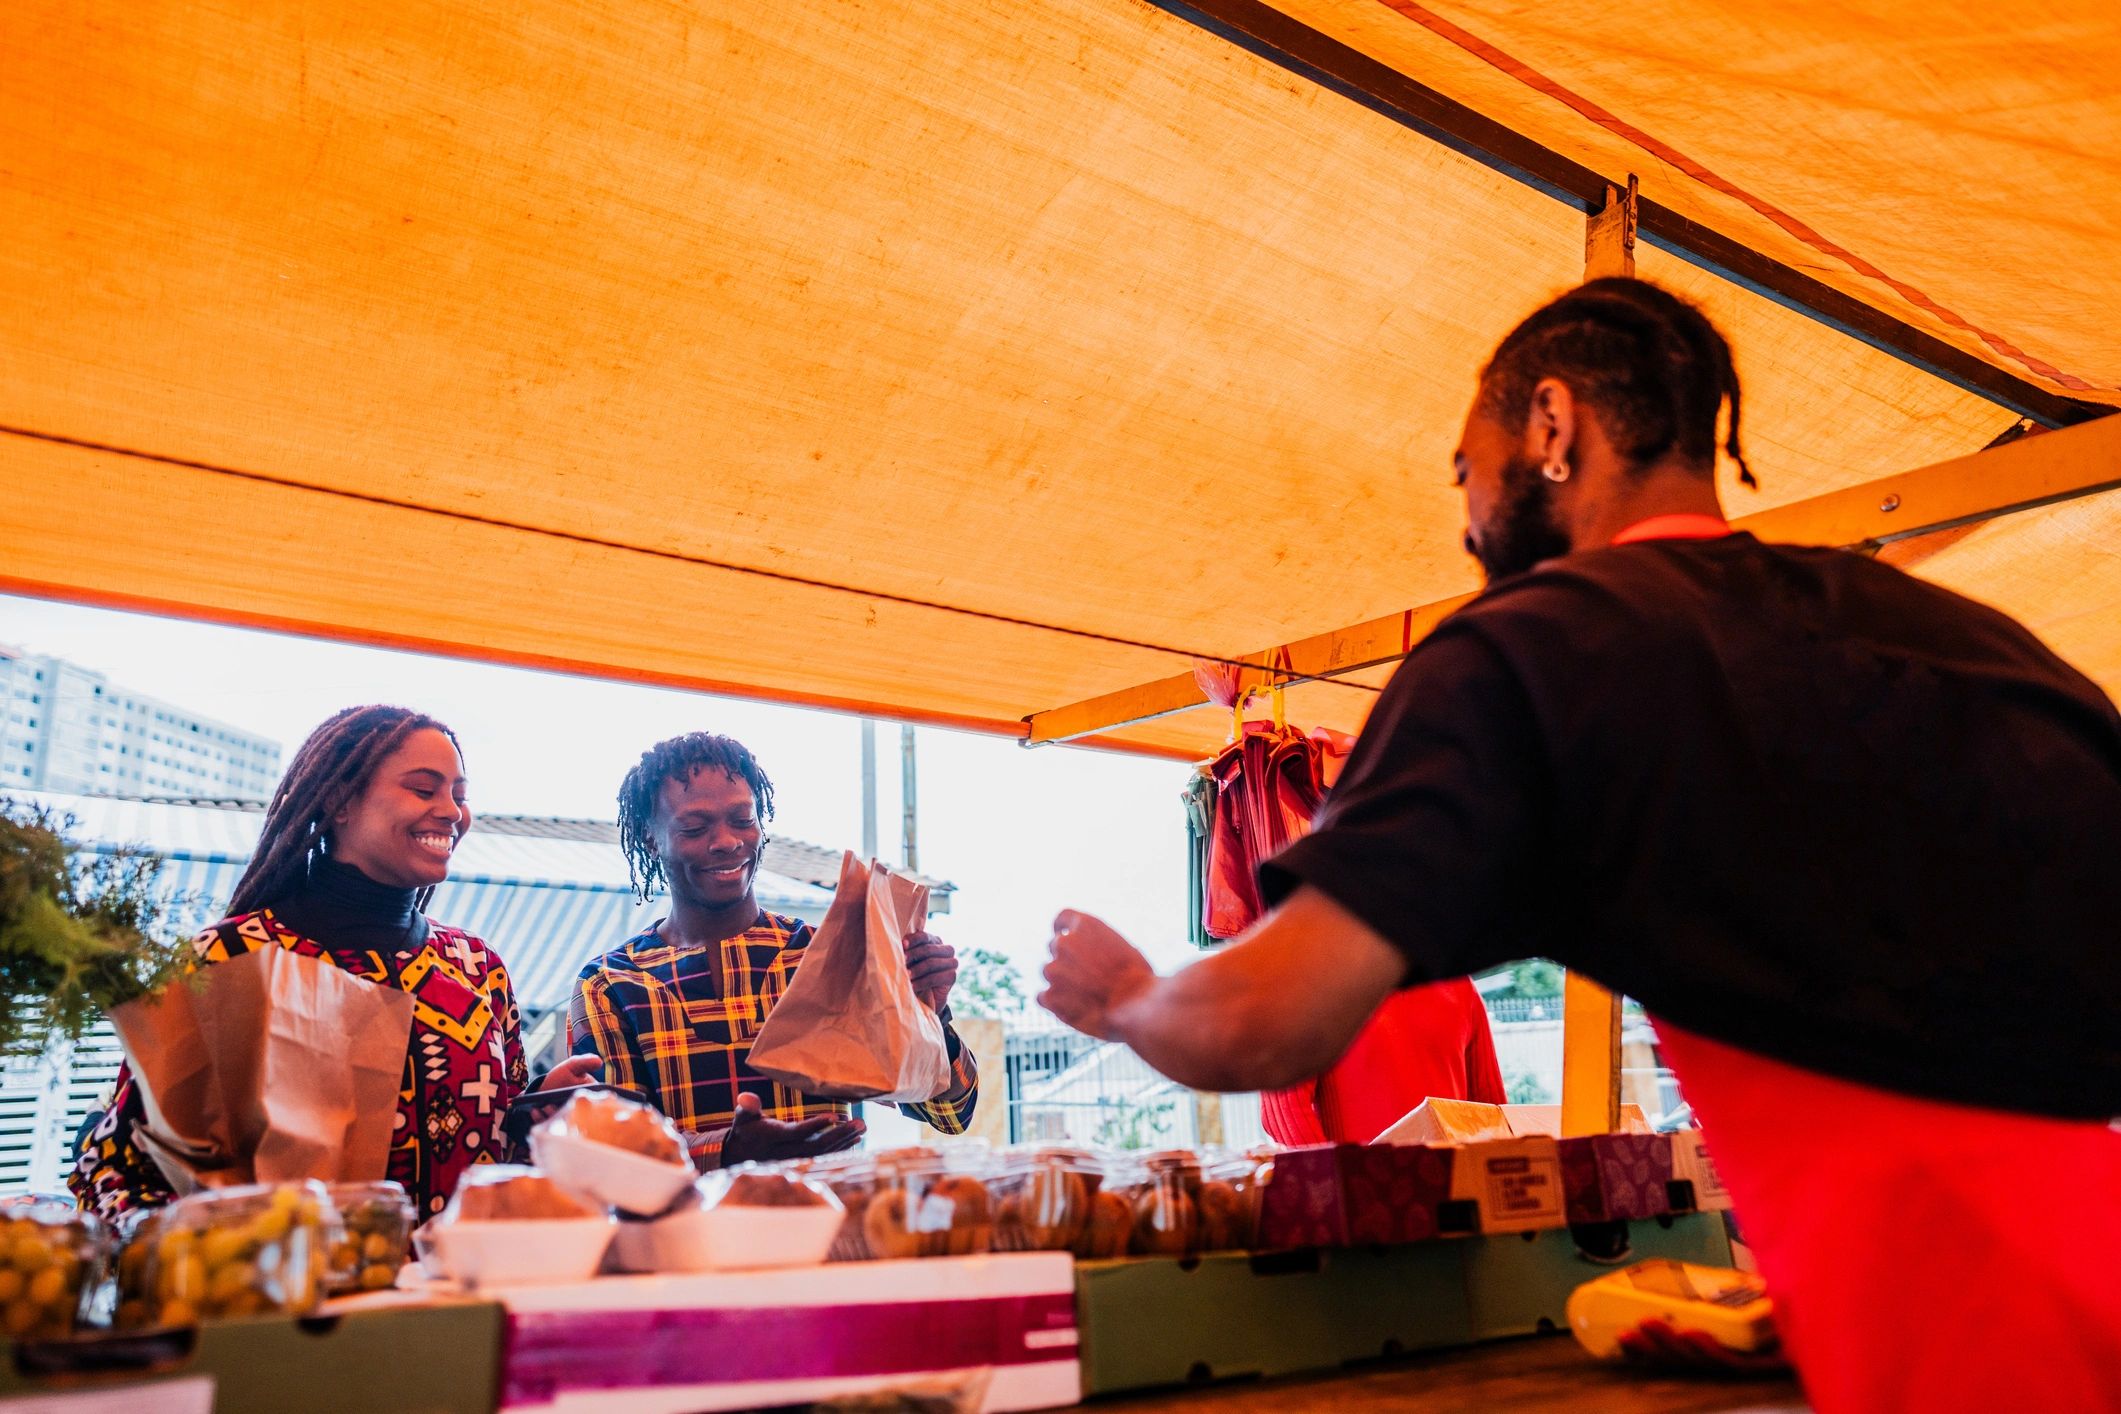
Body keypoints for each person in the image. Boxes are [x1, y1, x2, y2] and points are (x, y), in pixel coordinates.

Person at [1040, 278, 2121, 1412]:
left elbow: (1262, 1020)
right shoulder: (1976, 644)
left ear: (1553, 427)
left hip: (1966, 1351)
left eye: (1469, 469)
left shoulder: (1533, 653)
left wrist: (1125, 996)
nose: (1467, 520)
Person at [70, 706, 600, 1220]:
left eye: (459, 795)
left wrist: (537, 1110)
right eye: (423, 788)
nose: (451, 811)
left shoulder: (477, 968)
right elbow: (120, 1166)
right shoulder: (232, 960)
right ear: (340, 800)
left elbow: (493, 1158)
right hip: (295, 1302)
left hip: (456, 1301)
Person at [571, 732, 977, 1167]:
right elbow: (607, 1153)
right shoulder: (611, 984)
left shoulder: (826, 954)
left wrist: (933, 1013)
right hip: (690, 1235)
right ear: (651, 840)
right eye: (694, 827)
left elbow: (951, 1114)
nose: (727, 841)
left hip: (828, 1230)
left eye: (742, 819)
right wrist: (724, 1152)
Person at [1262, 979, 1505, 1145]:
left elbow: (1492, 1112)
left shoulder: (1460, 987)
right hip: (1361, 1197)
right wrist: (1334, 1184)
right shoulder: (1314, 985)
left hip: (1452, 1193)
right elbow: (1284, 1110)